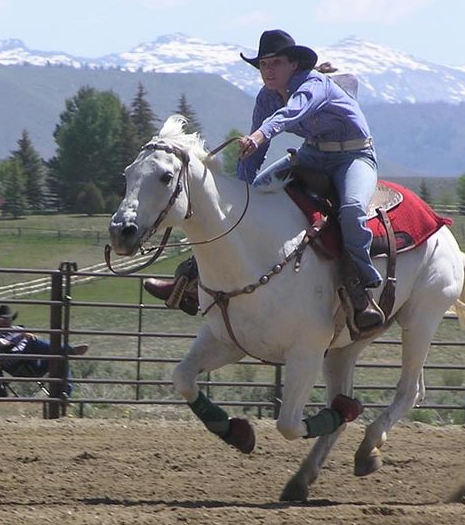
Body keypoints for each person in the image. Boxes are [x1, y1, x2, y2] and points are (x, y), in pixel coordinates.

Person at [145, 29, 384, 331]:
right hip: (312, 155)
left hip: (354, 157)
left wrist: (259, 135)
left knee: (351, 209)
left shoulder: (314, 85)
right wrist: (242, 194)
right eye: (263, 65)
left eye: (276, 63)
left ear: (293, 65)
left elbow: (291, 114)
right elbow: (254, 154)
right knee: (247, 202)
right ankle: (189, 279)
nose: (268, 71)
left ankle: (362, 286)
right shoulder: (266, 97)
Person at [0, 304, 88, 395]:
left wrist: (26, 335)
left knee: (60, 356)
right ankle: (68, 349)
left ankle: (65, 393)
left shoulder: (18, 329)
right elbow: (2, 344)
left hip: (33, 362)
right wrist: (20, 336)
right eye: (2, 318)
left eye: (8, 318)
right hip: (15, 362)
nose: (5, 321)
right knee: (34, 341)